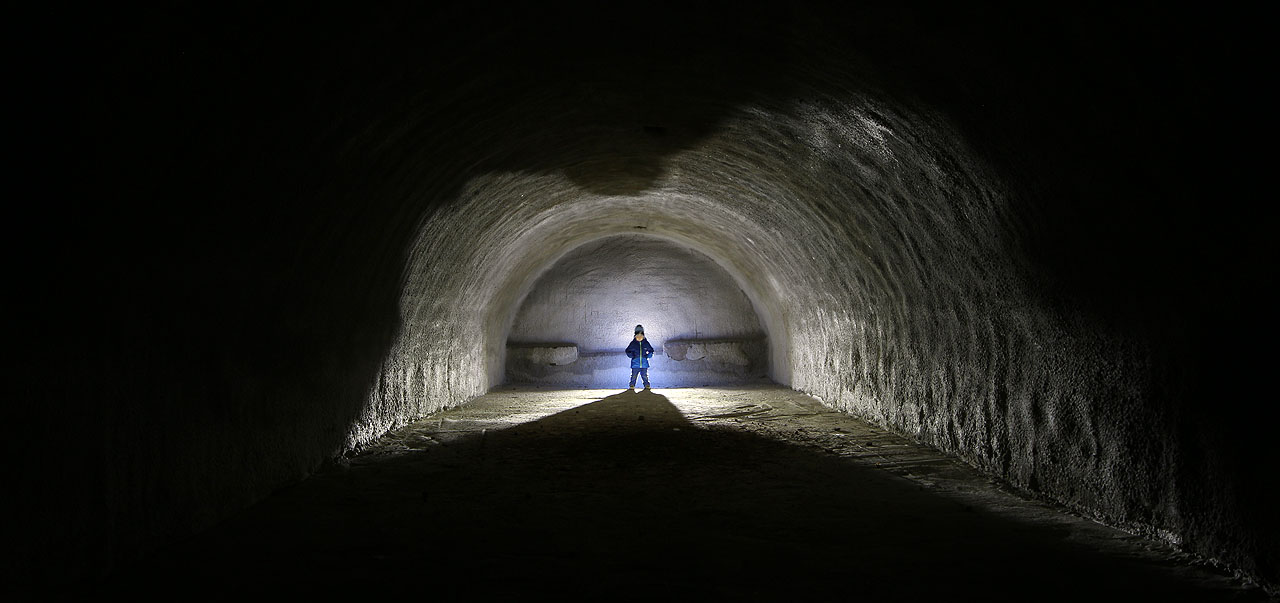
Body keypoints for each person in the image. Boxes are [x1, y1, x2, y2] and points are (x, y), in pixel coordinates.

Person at [625, 324, 654, 389]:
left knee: (644, 375)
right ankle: (632, 385)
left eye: (641, 336)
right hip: (635, 364)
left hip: (644, 364)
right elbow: (627, 351)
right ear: (635, 336)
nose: (639, 337)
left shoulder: (646, 343)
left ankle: (646, 384)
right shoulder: (633, 343)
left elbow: (651, 350)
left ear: (643, 336)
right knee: (634, 375)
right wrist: (632, 355)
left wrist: (648, 355)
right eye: (638, 336)